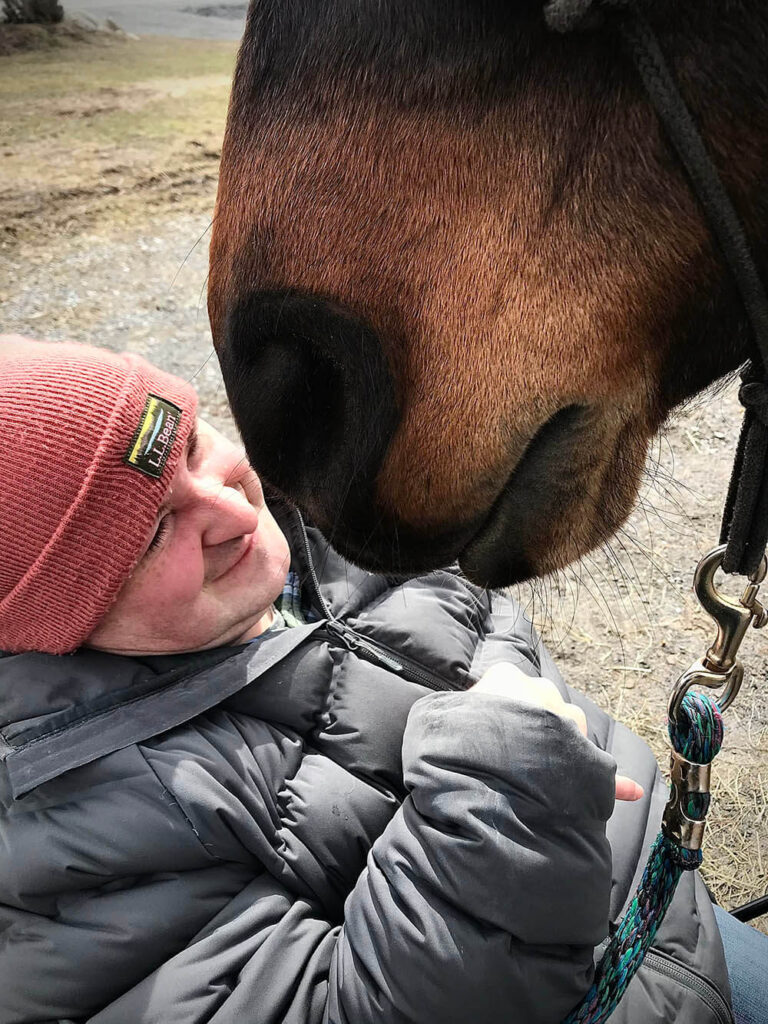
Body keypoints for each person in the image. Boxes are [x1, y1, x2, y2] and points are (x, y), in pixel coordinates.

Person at [0, 335, 763, 1024]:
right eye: (149, 535)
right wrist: (507, 779)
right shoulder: (64, 846)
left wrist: (504, 693)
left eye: (192, 445)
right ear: (61, 624)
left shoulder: (317, 528)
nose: (230, 505)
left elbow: (474, 619)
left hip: (667, 902)